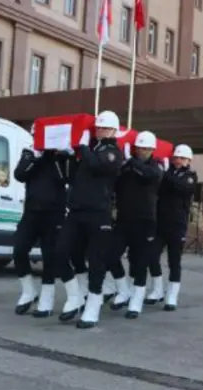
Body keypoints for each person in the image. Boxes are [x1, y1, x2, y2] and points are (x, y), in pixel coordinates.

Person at [54, 110, 124, 328]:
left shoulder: (113, 152)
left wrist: (83, 146)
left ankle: (93, 305)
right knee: (60, 252)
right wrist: (63, 157)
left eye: (103, 127)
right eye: (97, 127)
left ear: (113, 130)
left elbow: (96, 164)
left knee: (96, 261)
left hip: (98, 213)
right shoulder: (90, 150)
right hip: (76, 211)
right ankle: (75, 296)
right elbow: (70, 176)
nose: (99, 130)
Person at [106, 131, 163, 319]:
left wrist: (131, 162)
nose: (142, 151)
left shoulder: (156, 167)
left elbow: (148, 176)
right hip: (123, 219)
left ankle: (136, 301)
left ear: (153, 149)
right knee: (111, 254)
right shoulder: (128, 166)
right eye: (139, 148)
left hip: (145, 222)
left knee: (139, 263)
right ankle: (123, 290)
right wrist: (123, 164)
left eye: (146, 148)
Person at [12, 146, 70, 316]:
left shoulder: (60, 155)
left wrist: (60, 155)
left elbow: (64, 178)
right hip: (31, 212)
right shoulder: (29, 153)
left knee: (49, 255)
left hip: (54, 213)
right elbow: (19, 175)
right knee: (19, 249)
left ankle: (47, 298)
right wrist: (33, 158)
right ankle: (29, 291)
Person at [145, 144, 197, 310]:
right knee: (152, 256)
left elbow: (182, 188)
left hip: (177, 224)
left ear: (188, 160)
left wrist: (165, 173)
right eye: (176, 158)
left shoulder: (190, 176)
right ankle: (158, 289)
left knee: (174, 261)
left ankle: (172, 295)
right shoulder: (166, 174)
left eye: (182, 158)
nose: (178, 161)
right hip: (161, 222)